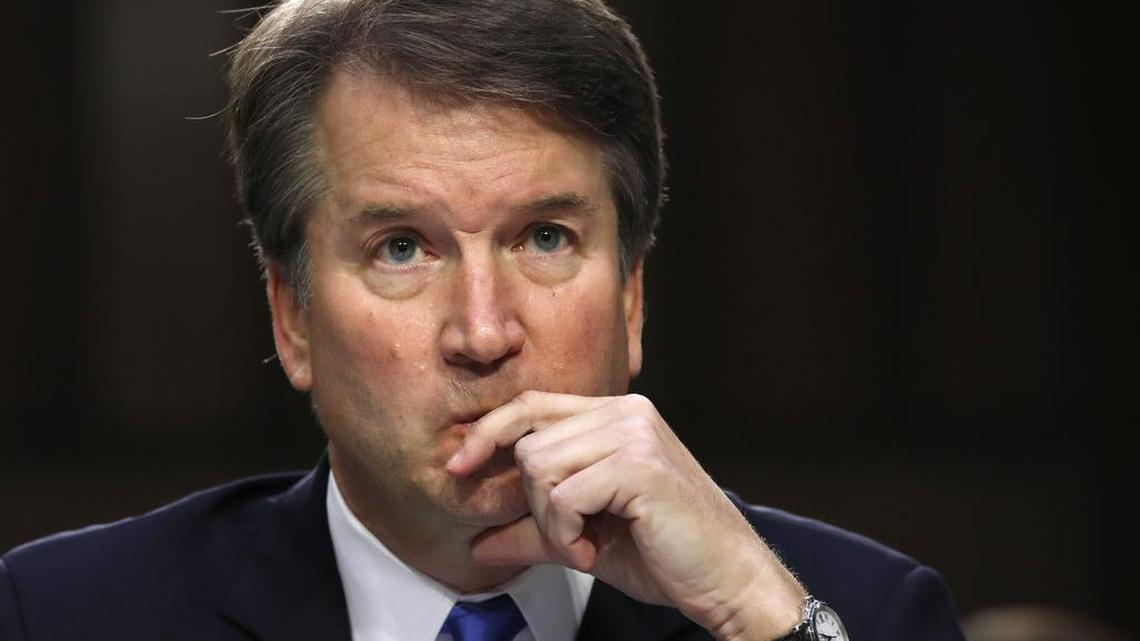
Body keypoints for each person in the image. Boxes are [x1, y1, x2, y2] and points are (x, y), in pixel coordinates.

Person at [0, 1, 966, 640]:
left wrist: (761, 617)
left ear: (631, 299)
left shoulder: (861, 613)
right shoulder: (65, 616)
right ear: (292, 319)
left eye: (544, 238)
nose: (483, 331)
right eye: (402, 248)